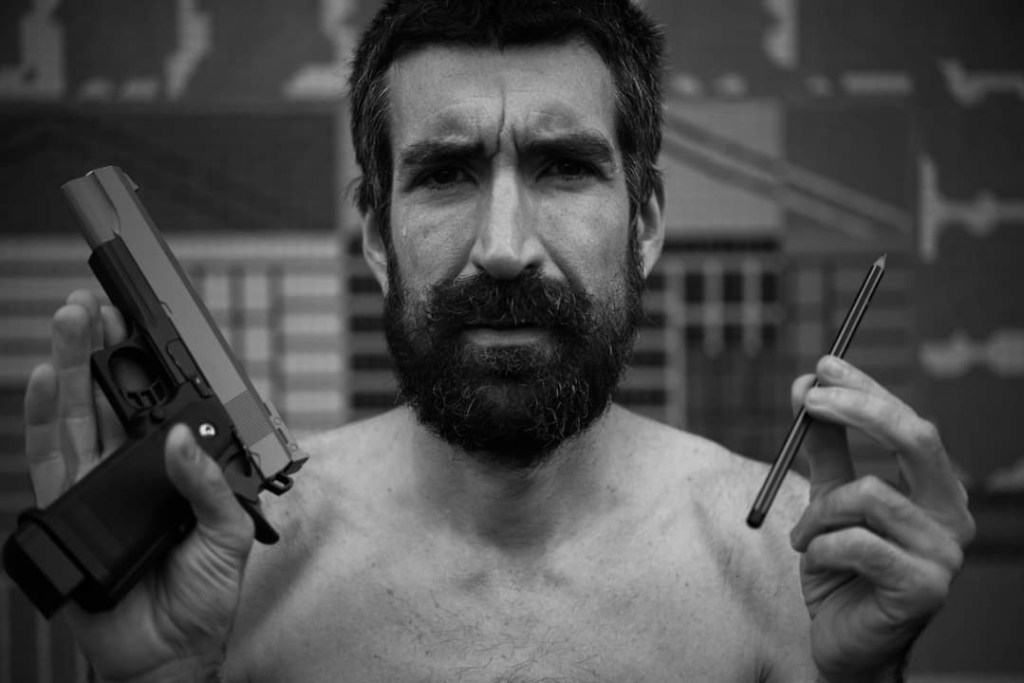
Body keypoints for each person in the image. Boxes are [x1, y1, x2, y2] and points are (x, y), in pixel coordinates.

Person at [24, 1, 975, 681]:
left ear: (645, 224)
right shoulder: (238, 571)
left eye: (563, 168)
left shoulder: (791, 566)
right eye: (447, 173)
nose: (506, 247)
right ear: (376, 236)